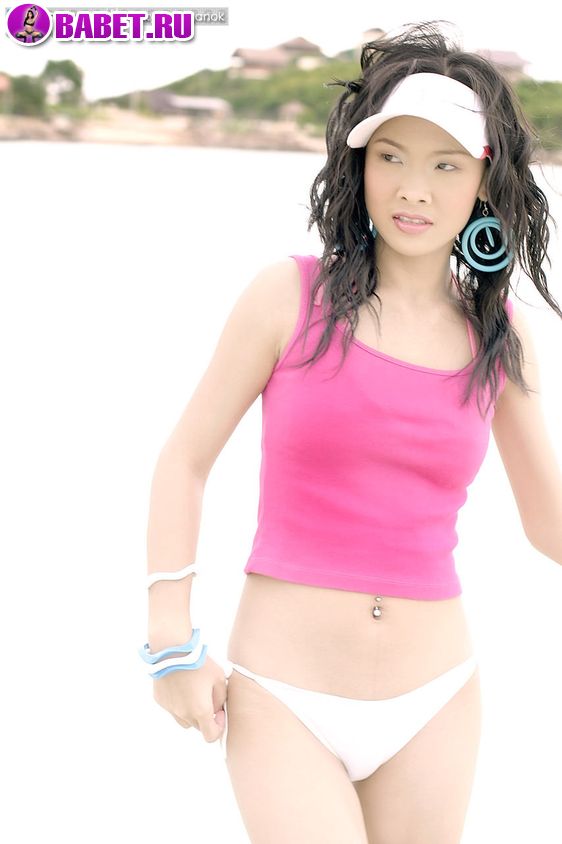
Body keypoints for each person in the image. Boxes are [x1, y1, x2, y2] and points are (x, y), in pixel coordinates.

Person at [139, 20, 562, 844]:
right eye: (391, 157)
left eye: (445, 165)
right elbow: (184, 461)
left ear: (485, 179)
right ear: (358, 165)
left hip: (436, 698)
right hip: (284, 694)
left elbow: (549, 522)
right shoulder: (287, 298)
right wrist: (170, 641)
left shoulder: (499, 337)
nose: (413, 189)